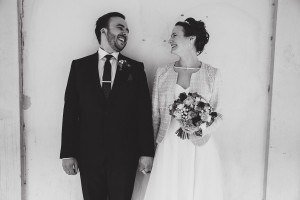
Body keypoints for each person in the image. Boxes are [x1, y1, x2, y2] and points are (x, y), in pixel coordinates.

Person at [60, 12, 155, 200]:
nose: (125, 33)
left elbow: (143, 113)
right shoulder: (80, 67)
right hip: (88, 154)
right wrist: (67, 153)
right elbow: (70, 111)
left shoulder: (135, 68)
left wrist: (146, 152)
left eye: (127, 30)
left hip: (125, 155)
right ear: (104, 31)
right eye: (120, 28)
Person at [143, 17, 224, 200]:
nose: (169, 40)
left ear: (191, 39)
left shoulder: (212, 74)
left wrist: (199, 128)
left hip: (200, 147)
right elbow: (154, 115)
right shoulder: (162, 72)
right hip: (168, 144)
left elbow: (218, 115)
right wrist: (150, 152)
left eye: (174, 35)